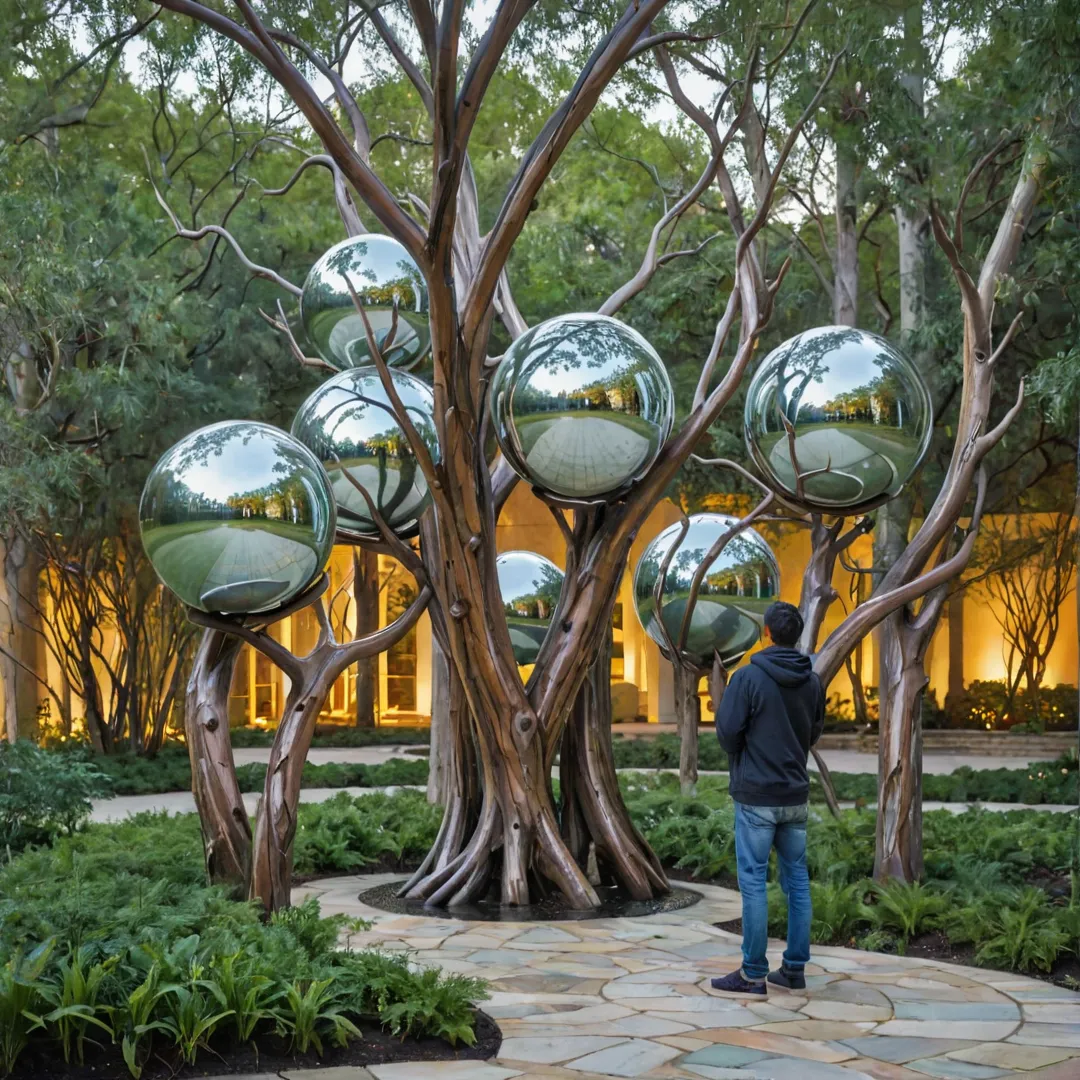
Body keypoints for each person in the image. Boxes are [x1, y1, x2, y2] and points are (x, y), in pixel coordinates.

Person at [709, 600, 825, 997]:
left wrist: (749, 752)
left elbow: (726, 734)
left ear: (767, 634)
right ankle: (794, 970)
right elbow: (812, 734)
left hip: (756, 796)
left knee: (754, 883)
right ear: (797, 636)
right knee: (797, 881)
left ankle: (753, 974)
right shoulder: (812, 681)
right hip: (795, 796)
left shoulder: (748, 678)